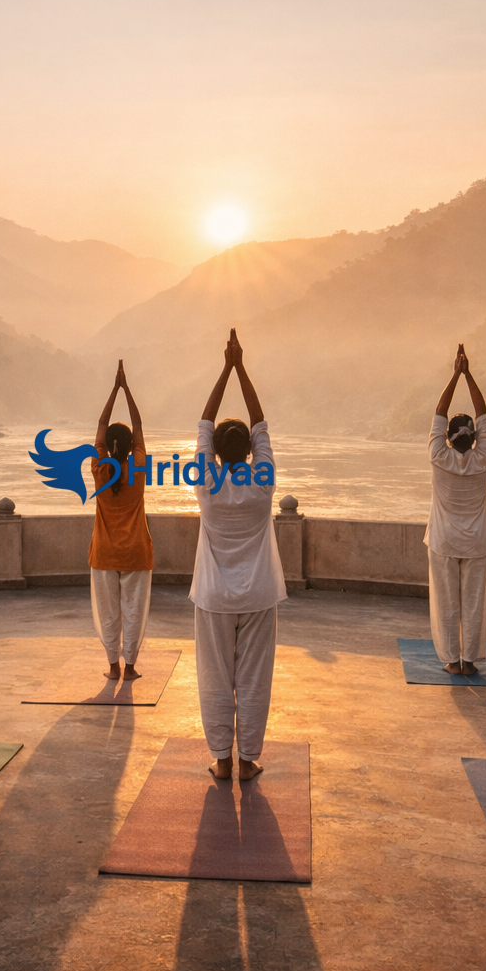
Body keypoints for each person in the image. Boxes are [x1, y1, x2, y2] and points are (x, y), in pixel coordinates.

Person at [191, 329, 287, 782]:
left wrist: (226, 368)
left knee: (214, 677)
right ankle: (248, 760)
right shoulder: (262, 482)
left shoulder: (206, 483)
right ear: (251, 452)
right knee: (254, 679)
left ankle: (223, 760)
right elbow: (260, 423)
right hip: (258, 595)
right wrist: (240, 367)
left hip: (213, 597)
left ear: (213, 453)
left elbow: (203, 425)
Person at [426, 343, 486, 675]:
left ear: (448, 438)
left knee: (447, 603)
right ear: (476, 437)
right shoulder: (484, 458)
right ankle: (469, 661)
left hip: (444, 541)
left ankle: (452, 661)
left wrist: (455, 374)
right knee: (473, 603)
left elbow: (438, 415)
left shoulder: (439, 456)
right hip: (476, 542)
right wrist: (468, 375)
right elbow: (484, 416)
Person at [89, 359, 154, 681]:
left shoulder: (100, 469)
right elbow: (138, 425)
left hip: (104, 554)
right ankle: (130, 668)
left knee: (109, 613)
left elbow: (101, 425)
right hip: (136, 553)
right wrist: (126, 388)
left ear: (107, 446)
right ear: (131, 447)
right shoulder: (139, 467)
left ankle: (113, 667)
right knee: (133, 612)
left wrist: (114, 389)